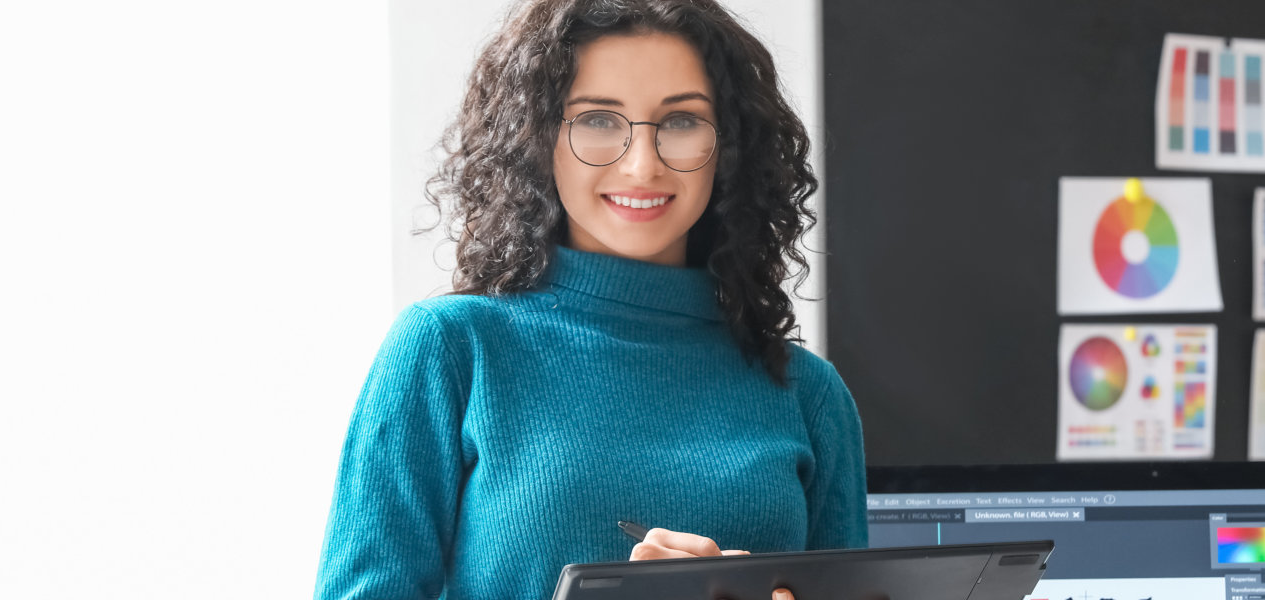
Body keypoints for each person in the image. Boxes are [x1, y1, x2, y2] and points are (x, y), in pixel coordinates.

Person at [313, 0, 865, 598]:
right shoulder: (450, 349)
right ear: (538, 136)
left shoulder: (810, 396)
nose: (641, 164)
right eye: (598, 120)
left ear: (729, 148)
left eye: (681, 122)